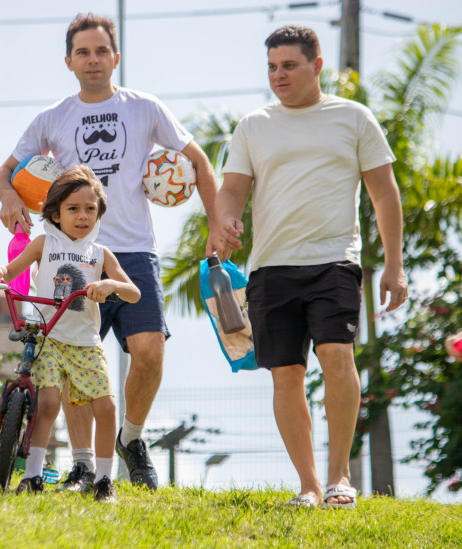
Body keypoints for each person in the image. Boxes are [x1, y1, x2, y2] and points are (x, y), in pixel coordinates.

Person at [0, 13, 221, 491]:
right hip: (69, 254)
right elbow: (4, 173)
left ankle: (131, 439)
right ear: (69, 61)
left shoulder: (145, 107)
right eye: (83, 52)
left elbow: (197, 160)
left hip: (133, 250)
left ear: (115, 58)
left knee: (150, 350)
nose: (93, 59)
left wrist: (218, 222)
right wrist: (11, 198)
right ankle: (80, 467)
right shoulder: (52, 118)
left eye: (101, 51)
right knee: (76, 361)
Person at [211, 25, 408, 509]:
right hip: (270, 268)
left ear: (316, 66)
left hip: (335, 261)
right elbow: (234, 188)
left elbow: (384, 194)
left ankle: (340, 477)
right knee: (286, 375)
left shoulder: (354, 118)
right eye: (272, 67)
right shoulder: (253, 125)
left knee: (338, 357)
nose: (279, 75)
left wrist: (394, 266)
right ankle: (309, 485)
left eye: (289, 65)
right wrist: (226, 222)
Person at [0, 166, 140, 502]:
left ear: (99, 213)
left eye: (90, 209)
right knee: (47, 403)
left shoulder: (100, 254)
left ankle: (104, 481)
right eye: (73, 209)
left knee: (106, 408)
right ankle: (32, 475)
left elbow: (133, 292)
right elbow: (10, 270)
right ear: (55, 213)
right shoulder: (43, 243)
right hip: (48, 338)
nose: (82, 216)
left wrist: (111, 284)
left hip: (86, 345)